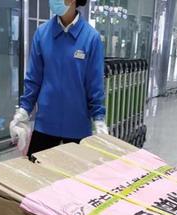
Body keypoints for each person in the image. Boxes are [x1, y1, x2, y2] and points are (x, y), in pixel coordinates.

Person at [9, 0, 107, 159]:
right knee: (37, 172)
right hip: (45, 125)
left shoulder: (91, 38)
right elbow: (33, 79)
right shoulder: (42, 34)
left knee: (76, 174)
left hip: (78, 128)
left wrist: (99, 120)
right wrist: (23, 111)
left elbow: (94, 85)